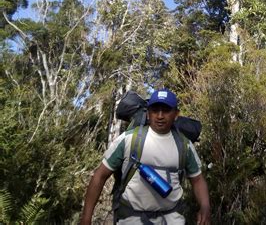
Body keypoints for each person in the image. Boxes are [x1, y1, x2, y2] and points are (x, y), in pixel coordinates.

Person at [80, 88, 211, 225]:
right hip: (132, 219)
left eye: (166, 110)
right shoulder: (129, 139)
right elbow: (100, 176)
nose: (160, 116)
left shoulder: (184, 145)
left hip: (172, 219)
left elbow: (197, 180)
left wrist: (205, 207)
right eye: (155, 110)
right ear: (148, 113)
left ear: (176, 114)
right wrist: (86, 217)